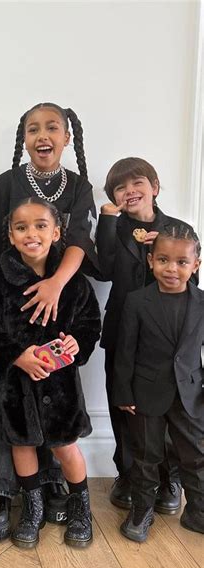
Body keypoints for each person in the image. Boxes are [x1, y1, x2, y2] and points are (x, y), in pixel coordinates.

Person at [0, 102, 100, 540]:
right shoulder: (7, 183)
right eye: (33, 129)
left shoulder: (79, 187)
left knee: (58, 436)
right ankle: (3, 490)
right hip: (13, 348)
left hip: (57, 337)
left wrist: (55, 285)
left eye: (51, 128)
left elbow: (82, 239)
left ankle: (59, 491)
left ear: (67, 137)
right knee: (11, 426)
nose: (42, 135)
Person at [97, 157, 196, 514]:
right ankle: (128, 475)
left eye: (137, 182)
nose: (129, 191)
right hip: (122, 331)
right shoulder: (113, 226)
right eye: (119, 188)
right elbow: (105, 269)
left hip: (167, 338)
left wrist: (164, 250)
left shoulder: (178, 229)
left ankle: (169, 479)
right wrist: (107, 222)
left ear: (154, 187)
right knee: (122, 405)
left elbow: (191, 283)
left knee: (169, 408)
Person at [112, 225, 203, 541]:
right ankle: (141, 512)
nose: (172, 269)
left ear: (196, 265)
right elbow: (125, 351)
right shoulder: (137, 301)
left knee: (196, 456)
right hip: (145, 395)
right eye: (163, 260)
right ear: (151, 261)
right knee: (146, 456)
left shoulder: (202, 303)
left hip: (191, 395)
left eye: (181, 262)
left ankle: (198, 513)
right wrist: (123, 392)